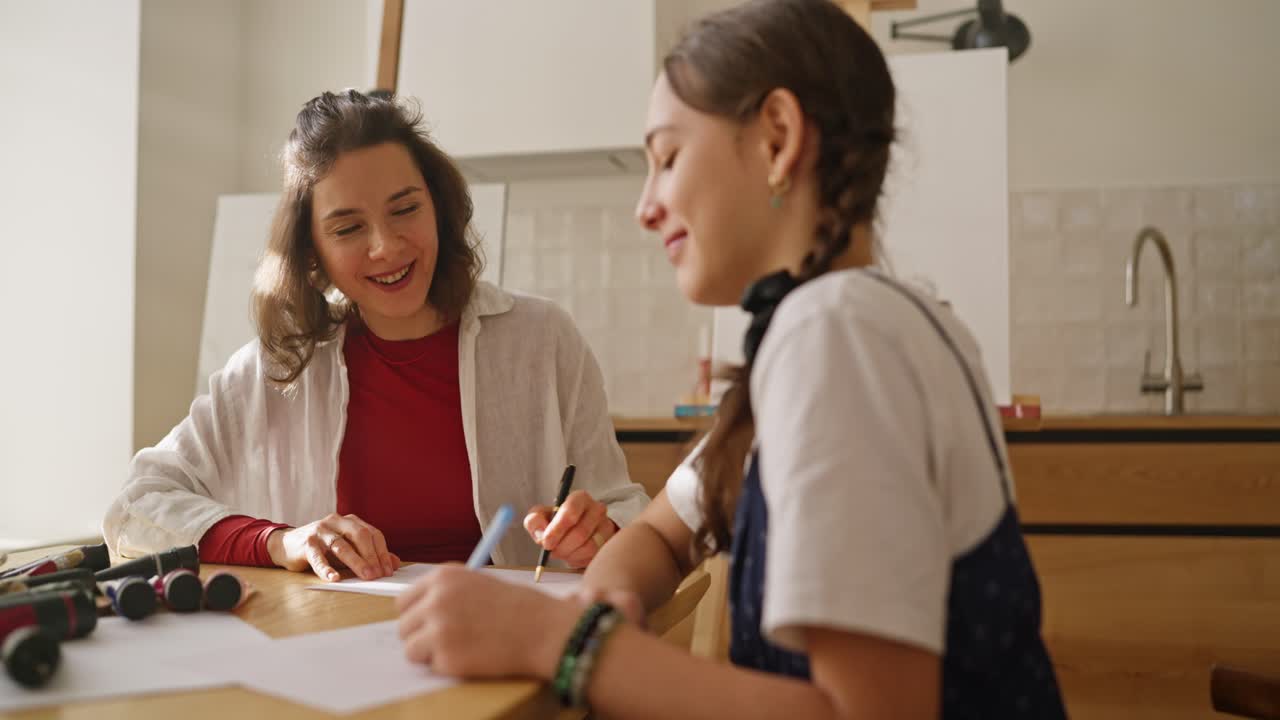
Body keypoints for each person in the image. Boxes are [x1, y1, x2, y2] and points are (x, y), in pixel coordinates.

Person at [393, 1, 1067, 717]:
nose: (644, 207)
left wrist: (564, 641)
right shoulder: (854, 324)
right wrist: (600, 604)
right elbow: (658, 533)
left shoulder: (839, 338)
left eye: (669, 157)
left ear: (777, 139)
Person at [103, 90, 648, 581]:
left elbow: (623, 505)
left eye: (405, 209)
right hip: (332, 652)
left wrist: (600, 533)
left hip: (505, 645)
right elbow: (136, 507)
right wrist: (277, 541)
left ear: (439, 207)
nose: (385, 246)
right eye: (347, 228)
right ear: (312, 251)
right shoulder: (278, 368)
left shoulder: (543, 338)